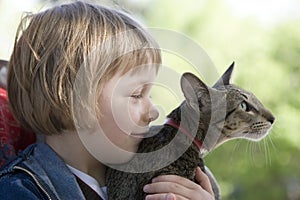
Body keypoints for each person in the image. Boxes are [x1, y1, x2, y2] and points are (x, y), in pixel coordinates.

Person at [0, 1, 214, 200]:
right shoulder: (20, 189)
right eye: (137, 94)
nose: (153, 111)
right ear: (73, 101)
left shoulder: (161, 174)